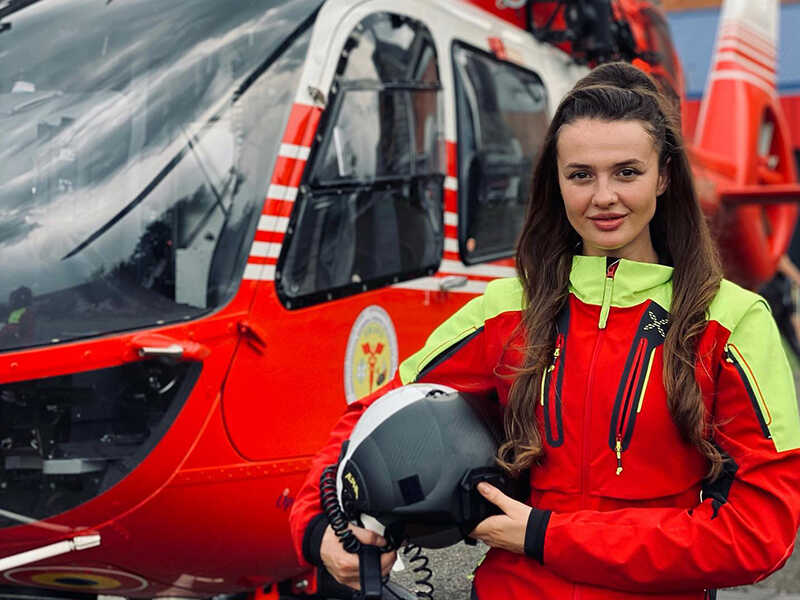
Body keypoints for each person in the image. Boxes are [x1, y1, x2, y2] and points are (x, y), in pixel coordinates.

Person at [289, 62, 800, 599]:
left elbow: (760, 533)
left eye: (627, 172)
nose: (604, 196)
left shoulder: (732, 321)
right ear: (556, 182)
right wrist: (319, 528)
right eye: (581, 175)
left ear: (664, 176)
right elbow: (371, 415)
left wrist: (545, 536)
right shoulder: (507, 309)